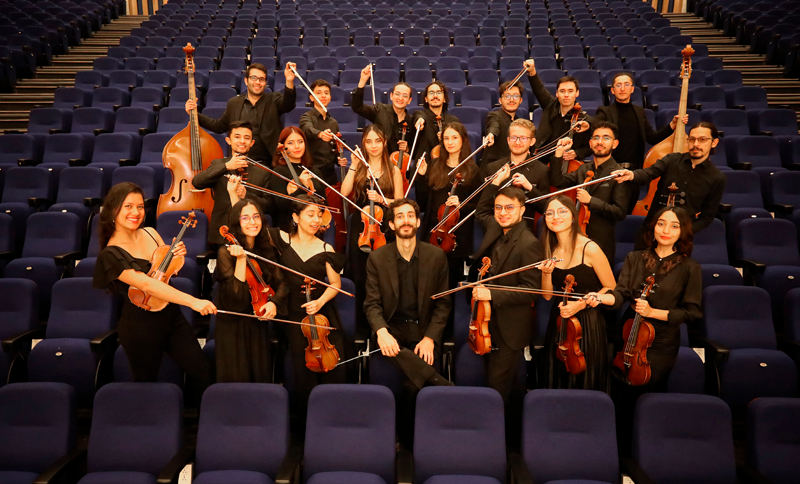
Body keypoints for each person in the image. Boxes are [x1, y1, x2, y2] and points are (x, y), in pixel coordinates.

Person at [586, 206, 702, 454]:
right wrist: (601, 298)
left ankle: (646, 451)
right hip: (630, 333)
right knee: (620, 392)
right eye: (661, 223)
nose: (666, 230)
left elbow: (691, 313)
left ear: (682, 232)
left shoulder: (689, 268)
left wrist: (652, 313)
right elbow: (621, 294)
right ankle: (615, 451)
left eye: (674, 226)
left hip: (661, 342)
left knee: (647, 396)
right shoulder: (635, 258)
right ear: (653, 227)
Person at [92, 182, 214, 392]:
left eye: (140, 207)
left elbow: (163, 274)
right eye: (128, 206)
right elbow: (148, 285)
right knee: (146, 383)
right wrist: (193, 301)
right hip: (140, 326)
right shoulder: (109, 254)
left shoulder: (150, 233)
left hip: (172, 317)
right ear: (114, 209)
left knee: (202, 372)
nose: (136, 212)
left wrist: (176, 257)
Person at [267, 195, 350, 423]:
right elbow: (247, 227)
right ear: (295, 217)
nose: (316, 220)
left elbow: (335, 285)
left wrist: (320, 301)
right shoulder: (281, 240)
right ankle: (307, 425)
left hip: (322, 316)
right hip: (292, 317)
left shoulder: (326, 247)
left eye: (319, 215)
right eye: (310, 214)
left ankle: (333, 420)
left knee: (333, 369)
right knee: (301, 372)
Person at [472, 184, 543, 402]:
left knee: (497, 388)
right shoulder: (496, 229)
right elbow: (480, 210)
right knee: (501, 386)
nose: (503, 213)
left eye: (509, 208)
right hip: (487, 322)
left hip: (509, 328)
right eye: (498, 208)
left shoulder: (529, 244)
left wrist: (492, 294)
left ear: (522, 210)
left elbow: (531, 291)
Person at [539, 195, 616, 392]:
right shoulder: (550, 249)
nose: (555, 216)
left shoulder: (589, 248)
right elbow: (547, 296)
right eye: (550, 213)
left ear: (573, 216)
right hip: (560, 321)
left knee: (585, 378)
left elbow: (611, 288)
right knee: (556, 374)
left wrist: (582, 303)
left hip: (587, 323)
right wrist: (546, 275)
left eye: (562, 211)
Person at [214, 178, 288, 383]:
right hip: (233, 326)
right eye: (245, 218)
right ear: (237, 222)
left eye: (256, 217)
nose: (253, 222)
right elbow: (236, 298)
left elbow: (282, 283)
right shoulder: (225, 252)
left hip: (258, 322)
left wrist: (274, 303)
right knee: (237, 380)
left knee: (260, 376)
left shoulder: (266, 249)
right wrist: (240, 259)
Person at [613, 121, 727, 247]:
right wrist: (632, 175)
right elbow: (649, 173)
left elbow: (707, 218)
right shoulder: (671, 159)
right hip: (650, 231)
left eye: (702, 140)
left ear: (714, 142)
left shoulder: (717, 178)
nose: (695, 144)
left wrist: (682, 232)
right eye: (692, 139)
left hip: (680, 239)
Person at [341, 124, 405, 333]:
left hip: (383, 227)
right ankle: (361, 325)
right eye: (369, 141)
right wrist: (353, 165)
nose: (373, 145)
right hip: (360, 226)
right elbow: (344, 192)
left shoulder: (393, 169)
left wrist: (382, 199)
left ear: (384, 142)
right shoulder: (360, 168)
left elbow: (400, 203)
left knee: (383, 276)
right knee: (360, 276)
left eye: (377, 140)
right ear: (364, 144)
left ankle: (383, 324)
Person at [595, 72, 687, 214]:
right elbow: (595, 127)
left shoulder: (639, 112)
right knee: (610, 214)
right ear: (612, 91)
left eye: (626, 85)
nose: (622, 88)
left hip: (633, 175)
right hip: (611, 172)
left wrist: (672, 126)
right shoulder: (605, 112)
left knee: (628, 214)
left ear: (632, 89)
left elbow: (652, 137)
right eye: (618, 85)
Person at [185, 62, 297, 166]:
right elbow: (218, 126)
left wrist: (289, 81)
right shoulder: (234, 103)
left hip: (270, 162)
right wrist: (194, 113)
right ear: (246, 81)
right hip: (240, 160)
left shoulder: (273, 99)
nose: (258, 82)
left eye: (262, 79)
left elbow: (288, 104)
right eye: (254, 78)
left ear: (265, 83)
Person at [549, 121, 630, 263]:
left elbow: (620, 212)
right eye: (596, 138)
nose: (600, 142)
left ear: (615, 144)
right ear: (590, 143)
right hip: (577, 236)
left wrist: (591, 201)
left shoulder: (619, 174)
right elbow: (558, 181)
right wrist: (558, 154)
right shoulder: (583, 169)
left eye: (606, 138)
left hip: (601, 241)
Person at [417, 122, 481, 289]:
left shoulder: (472, 170)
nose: (450, 142)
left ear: (463, 140)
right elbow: (423, 202)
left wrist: (462, 205)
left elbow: (479, 206)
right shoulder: (434, 165)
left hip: (456, 235)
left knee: (450, 284)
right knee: (429, 283)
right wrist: (421, 177)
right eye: (446, 138)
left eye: (454, 138)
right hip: (433, 230)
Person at [192, 121, 277, 247]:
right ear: (228, 140)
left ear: (252, 143)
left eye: (247, 138)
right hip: (221, 234)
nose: (242, 141)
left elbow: (270, 206)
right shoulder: (218, 164)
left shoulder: (262, 171)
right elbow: (197, 182)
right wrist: (226, 166)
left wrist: (246, 194)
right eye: (237, 137)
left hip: (252, 236)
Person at [524, 59, 592, 164]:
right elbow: (538, 89)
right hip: (541, 161)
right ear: (557, 93)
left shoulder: (583, 119)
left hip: (566, 165)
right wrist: (532, 72)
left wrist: (577, 153)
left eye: (570, 91)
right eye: (562, 91)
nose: (566, 95)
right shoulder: (550, 104)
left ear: (577, 93)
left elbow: (590, 146)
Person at [483, 118, 550, 216]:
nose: (517, 142)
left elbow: (546, 208)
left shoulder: (542, 170)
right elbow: (484, 207)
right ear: (508, 140)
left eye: (523, 138)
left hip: (525, 227)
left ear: (532, 141)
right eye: (514, 137)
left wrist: (530, 188)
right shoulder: (493, 168)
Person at [269, 126, 328, 232]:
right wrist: (302, 186)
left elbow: (323, 203)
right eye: (290, 143)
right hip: (290, 230)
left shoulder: (315, 171)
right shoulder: (279, 172)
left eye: (300, 142)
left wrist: (324, 221)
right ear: (283, 147)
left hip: (314, 229)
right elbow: (281, 206)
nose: (297, 146)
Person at [351, 66, 416, 156]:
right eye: (397, 94)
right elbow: (357, 107)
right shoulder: (380, 110)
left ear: (409, 100)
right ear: (391, 96)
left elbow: (414, 147)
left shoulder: (412, 121)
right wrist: (363, 81)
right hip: (378, 161)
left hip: (399, 165)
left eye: (405, 96)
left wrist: (407, 148)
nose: (400, 98)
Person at [299, 79, 348, 186]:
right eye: (318, 93)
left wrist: (338, 160)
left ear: (330, 98)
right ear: (311, 97)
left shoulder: (333, 123)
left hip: (330, 173)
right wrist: (320, 134)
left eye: (326, 93)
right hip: (312, 171)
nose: (323, 96)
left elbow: (333, 147)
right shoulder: (306, 117)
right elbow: (307, 129)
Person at [410, 80, 461, 166]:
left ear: (444, 99)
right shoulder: (421, 115)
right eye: (431, 93)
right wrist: (419, 119)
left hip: (447, 166)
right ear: (426, 99)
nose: (435, 96)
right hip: (424, 168)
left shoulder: (453, 120)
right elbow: (418, 115)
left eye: (439, 92)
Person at [481, 79, 525, 166]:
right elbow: (494, 126)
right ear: (500, 100)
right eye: (507, 96)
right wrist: (491, 134)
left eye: (516, 96)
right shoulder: (494, 115)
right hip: (494, 168)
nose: (511, 100)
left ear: (521, 100)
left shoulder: (519, 122)